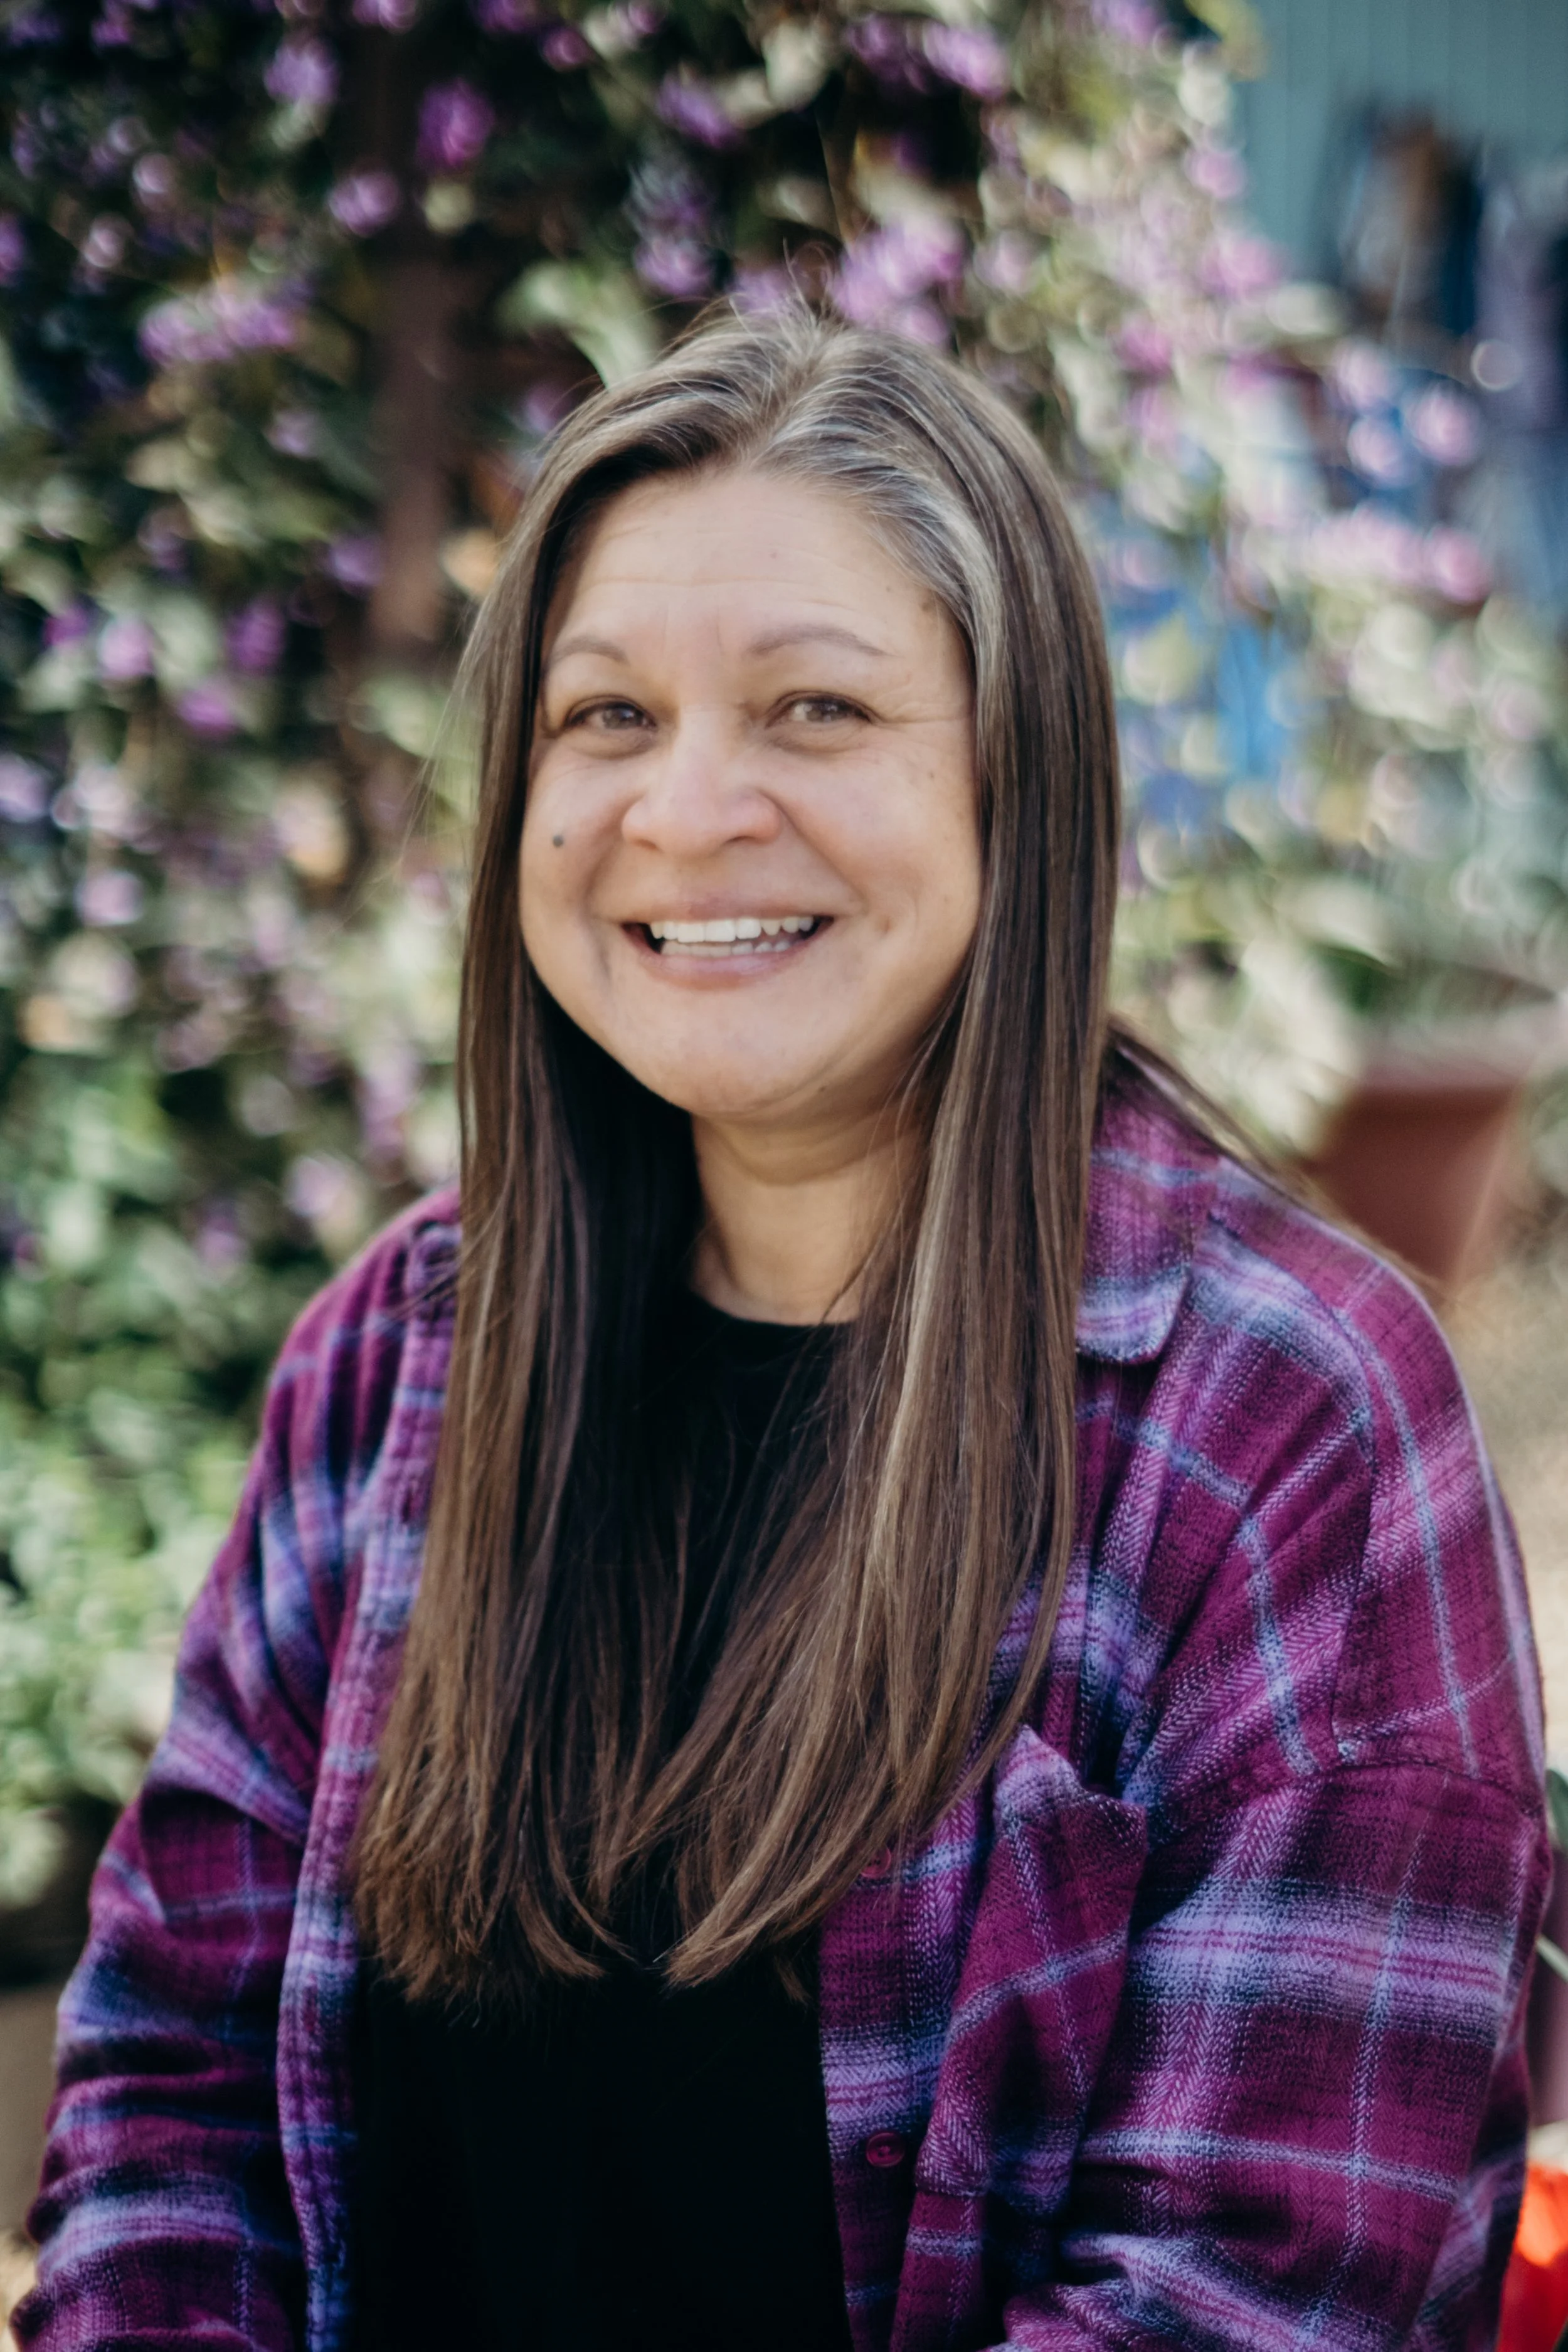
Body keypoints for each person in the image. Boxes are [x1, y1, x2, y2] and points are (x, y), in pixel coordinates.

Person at [16, 306, 1549, 2352]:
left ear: (1022, 783)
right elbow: (165, 2096)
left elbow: (1241, 2299)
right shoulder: (399, 1358)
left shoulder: (1284, 1424)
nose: (687, 808)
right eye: (607, 715)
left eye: (815, 710)